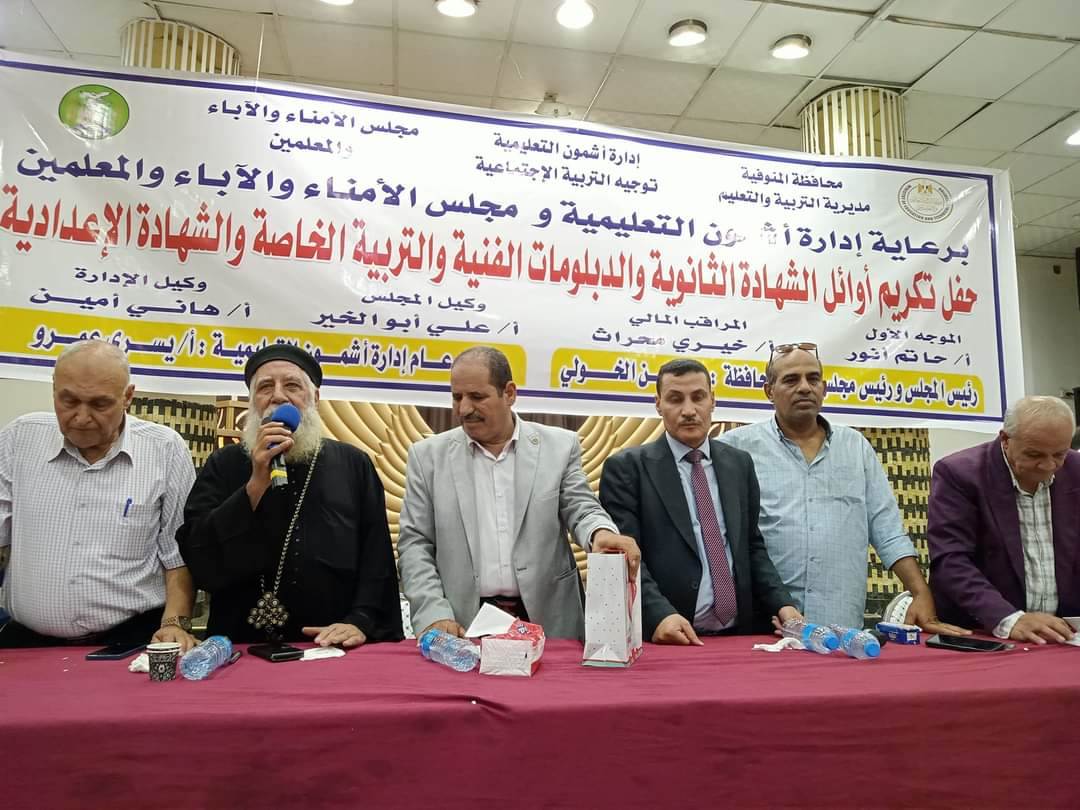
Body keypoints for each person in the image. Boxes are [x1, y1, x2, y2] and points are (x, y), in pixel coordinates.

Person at [719, 342, 966, 634]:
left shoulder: (856, 447)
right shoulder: (735, 449)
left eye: (813, 379)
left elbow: (887, 530)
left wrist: (920, 592)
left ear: (824, 388)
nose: (804, 387)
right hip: (764, 625)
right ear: (769, 391)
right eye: (791, 380)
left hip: (841, 627)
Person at [397, 346, 640, 640]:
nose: (464, 409)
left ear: (509, 393)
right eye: (457, 397)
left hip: (550, 623)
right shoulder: (427, 458)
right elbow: (415, 544)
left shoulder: (559, 447)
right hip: (463, 626)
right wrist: (435, 613)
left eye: (477, 397)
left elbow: (581, 506)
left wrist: (599, 533)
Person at [178, 345, 402, 647]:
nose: (278, 396)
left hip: (332, 645)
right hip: (241, 646)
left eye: (292, 386)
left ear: (315, 399)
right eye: (265, 387)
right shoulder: (224, 464)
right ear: (252, 402)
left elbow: (377, 559)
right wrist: (255, 484)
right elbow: (200, 555)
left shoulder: (353, 464)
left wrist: (360, 621)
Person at [0, 340, 197, 650]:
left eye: (99, 404)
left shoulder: (165, 449)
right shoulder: (19, 439)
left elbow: (178, 556)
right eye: (69, 401)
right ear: (54, 389)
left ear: (127, 397)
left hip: (131, 639)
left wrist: (174, 624)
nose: (81, 417)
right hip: (29, 643)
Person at [600, 359, 802, 645]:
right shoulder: (627, 469)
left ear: (712, 401)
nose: (688, 410)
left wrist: (783, 604)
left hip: (739, 636)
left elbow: (751, 546)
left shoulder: (739, 464)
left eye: (698, 397)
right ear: (658, 404)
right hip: (669, 637)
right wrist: (659, 615)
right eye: (675, 399)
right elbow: (626, 559)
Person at [928, 396, 1078, 644]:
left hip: (1063, 635)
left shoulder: (1076, 472)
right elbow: (951, 559)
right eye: (1034, 454)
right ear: (1005, 440)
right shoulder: (960, 474)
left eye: (1059, 454)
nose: (1048, 465)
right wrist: (1008, 619)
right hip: (984, 633)